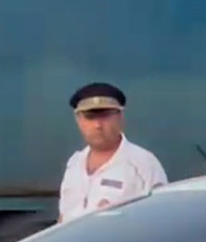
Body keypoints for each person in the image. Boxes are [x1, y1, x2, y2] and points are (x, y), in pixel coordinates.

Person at [57, 82, 168, 223]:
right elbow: (63, 218)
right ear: (79, 120)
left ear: (120, 117)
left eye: (105, 116)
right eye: (90, 117)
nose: (98, 125)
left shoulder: (143, 164)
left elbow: (160, 220)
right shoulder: (74, 164)